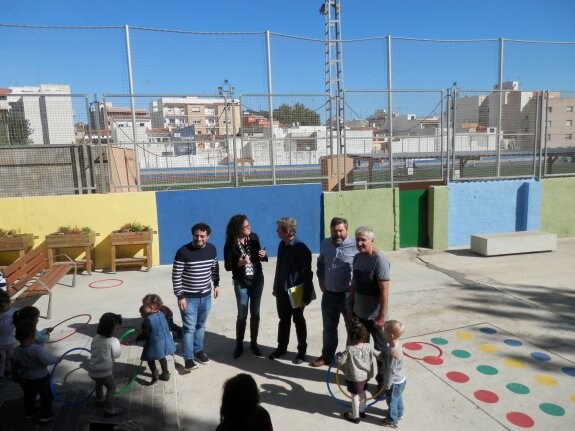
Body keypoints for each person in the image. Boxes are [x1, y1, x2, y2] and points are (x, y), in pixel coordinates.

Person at [172, 222, 220, 371]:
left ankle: (198, 351)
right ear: (193, 235)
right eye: (196, 235)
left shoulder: (212, 249)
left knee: (201, 325)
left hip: (205, 296)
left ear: (208, 236)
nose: (199, 238)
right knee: (189, 329)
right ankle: (188, 359)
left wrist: (216, 284)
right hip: (188, 298)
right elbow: (176, 275)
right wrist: (180, 296)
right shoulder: (183, 251)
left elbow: (214, 268)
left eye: (202, 236)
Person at [311, 217, 357, 368]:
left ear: (346, 231)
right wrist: (320, 279)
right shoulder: (325, 243)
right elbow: (320, 263)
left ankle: (351, 360)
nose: (338, 234)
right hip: (329, 295)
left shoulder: (355, 245)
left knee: (352, 329)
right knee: (329, 328)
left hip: (347, 297)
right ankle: (327, 356)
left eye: (341, 230)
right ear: (330, 230)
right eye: (335, 230)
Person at [348, 226, 391, 389]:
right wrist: (350, 305)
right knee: (360, 351)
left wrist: (382, 316)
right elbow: (354, 284)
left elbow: (384, 290)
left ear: (372, 241)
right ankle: (361, 381)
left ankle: (383, 383)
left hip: (376, 318)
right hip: (359, 314)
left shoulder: (379, 260)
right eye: (357, 239)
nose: (360, 243)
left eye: (363, 240)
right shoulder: (357, 258)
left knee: (381, 352)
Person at [269, 217, 314, 364]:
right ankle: (282, 347)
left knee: (298, 320)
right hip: (282, 291)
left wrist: (305, 297)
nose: (276, 232)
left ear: (287, 231)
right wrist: (276, 286)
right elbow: (279, 267)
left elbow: (308, 274)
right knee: (283, 320)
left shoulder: (301, 248)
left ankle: (301, 352)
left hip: (296, 291)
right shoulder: (282, 245)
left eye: (279, 229)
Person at [224, 214, 268, 359]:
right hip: (241, 281)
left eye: (249, 225)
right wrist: (239, 263)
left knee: (255, 313)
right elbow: (227, 266)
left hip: (257, 279)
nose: (249, 228)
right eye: (246, 227)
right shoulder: (230, 243)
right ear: (238, 228)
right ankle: (239, 344)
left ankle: (254, 343)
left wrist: (263, 254)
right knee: (242, 314)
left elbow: (258, 257)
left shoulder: (254, 237)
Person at [11, 320, 58, 423]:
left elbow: (14, 365)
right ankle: (45, 415)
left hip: (25, 378)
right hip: (41, 377)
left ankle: (30, 412)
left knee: (29, 395)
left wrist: (15, 376)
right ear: (32, 336)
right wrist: (57, 359)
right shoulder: (36, 349)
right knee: (46, 396)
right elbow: (46, 361)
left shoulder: (15, 351)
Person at [334, 318, 377, 424]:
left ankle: (355, 416)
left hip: (355, 378)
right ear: (364, 335)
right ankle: (362, 411)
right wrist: (388, 356)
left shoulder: (350, 349)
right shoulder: (368, 346)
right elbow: (379, 355)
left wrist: (337, 355)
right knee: (362, 393)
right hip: (365, 376)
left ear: (351, 336)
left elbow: (340, 361)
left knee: (354, 396)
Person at [88, 312, 123, 417]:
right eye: (116, 328)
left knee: (99, 384)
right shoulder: (113, 341)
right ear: (111, 329)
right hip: (105, 372)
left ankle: (99, 400)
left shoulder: (95, 338)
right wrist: (118, 345)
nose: (116, 330)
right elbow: (116, 355)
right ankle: (110, 409)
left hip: (93, 370)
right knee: (111, 388)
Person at [139, 294, 176, 384]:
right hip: (164, 341)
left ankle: (155, 374)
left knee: (150, 358)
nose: (143, 308)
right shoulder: (162, 314)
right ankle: (165, 374)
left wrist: (139, 337)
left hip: (154, 344)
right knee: (162, 357)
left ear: (151, 307)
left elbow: (146, 334)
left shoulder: (148, 319)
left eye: (144, 306)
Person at [381, 320, 406, 429]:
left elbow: (391, 371)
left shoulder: (393, 353)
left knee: (391, 402)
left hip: (394, 383)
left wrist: (387, 385)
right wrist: (373, 351)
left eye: (384, 332)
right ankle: (399, 413)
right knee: (398, 398)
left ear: (390, 335)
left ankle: (392, 420)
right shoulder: (394, 345)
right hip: (401, 380)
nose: (382, 334)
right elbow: (384, 356)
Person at [0, 290, 16, 386]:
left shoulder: (13, 311)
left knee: (10, 358)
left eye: (3, 306)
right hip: (0, 343)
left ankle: (8, 371)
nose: (1, 309)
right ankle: (0, 375)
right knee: (1, 359)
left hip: (11, 341)